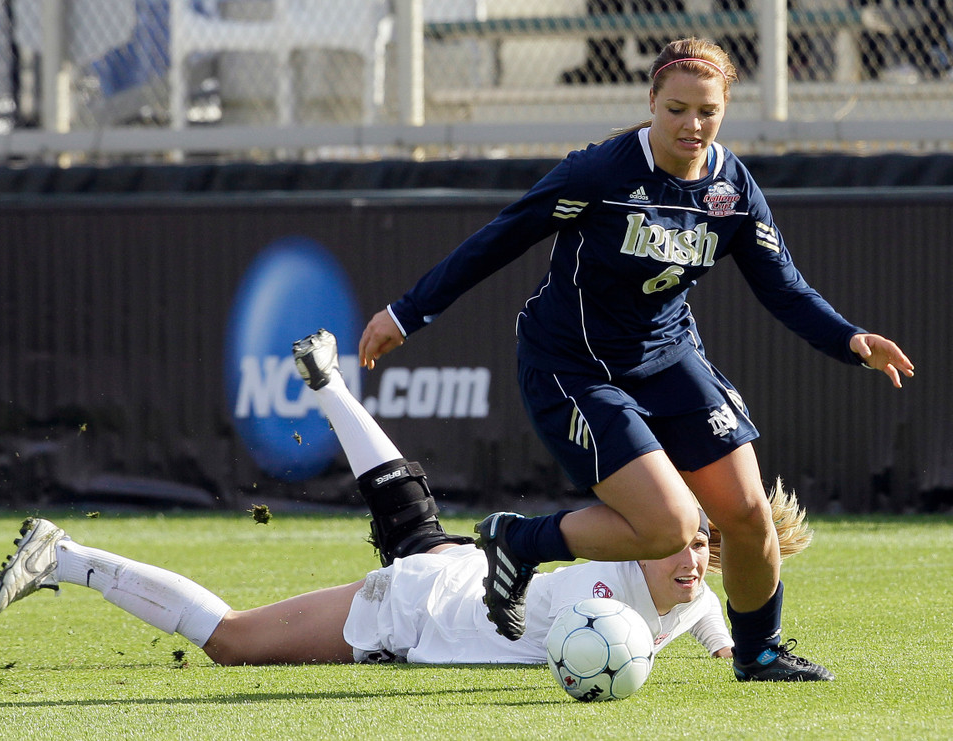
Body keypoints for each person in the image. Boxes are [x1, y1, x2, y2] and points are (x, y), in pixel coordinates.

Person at [358, 37, 914, 681]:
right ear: (651, 103)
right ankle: (518, 540)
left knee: (747, 514)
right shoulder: (599, 172)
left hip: (669, 359)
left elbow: (782, 285)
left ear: (725, 110)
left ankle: (760, 653)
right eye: (676, 108)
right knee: (668, 528)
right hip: (574, 366)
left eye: (707, 111)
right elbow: (501, 237)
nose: (692, 124)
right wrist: (406, 313)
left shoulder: (731, 187)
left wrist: (850, 340)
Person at [0, 330, 829, 668]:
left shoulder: (689, 589)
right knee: (233, 642)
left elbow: (707, 604)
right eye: (682, 541)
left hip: (451, 570)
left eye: (704, 550)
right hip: (416, 613)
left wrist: (726, 645)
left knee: (413, 523)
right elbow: (633, 596)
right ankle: (70, 557)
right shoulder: (618, 572)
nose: (690, 559)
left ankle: (332, 390)